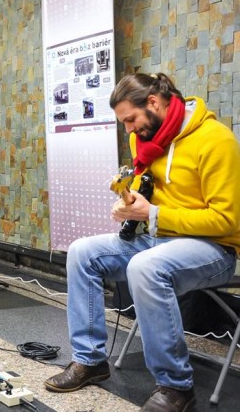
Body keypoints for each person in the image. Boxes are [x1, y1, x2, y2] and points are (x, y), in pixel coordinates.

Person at [44, 73, 239, 412]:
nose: (129, 131)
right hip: (158, 237)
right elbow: (145, 188)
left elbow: (227, 220)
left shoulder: (216, 141)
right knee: (82, 252)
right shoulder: (145, 139)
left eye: (131, 120)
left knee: (145, 267)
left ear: (153, 102)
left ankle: (176, 386)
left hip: (214, 248)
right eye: (124, 123)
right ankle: (90, 360)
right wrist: (128, 203)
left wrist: (154, 214)